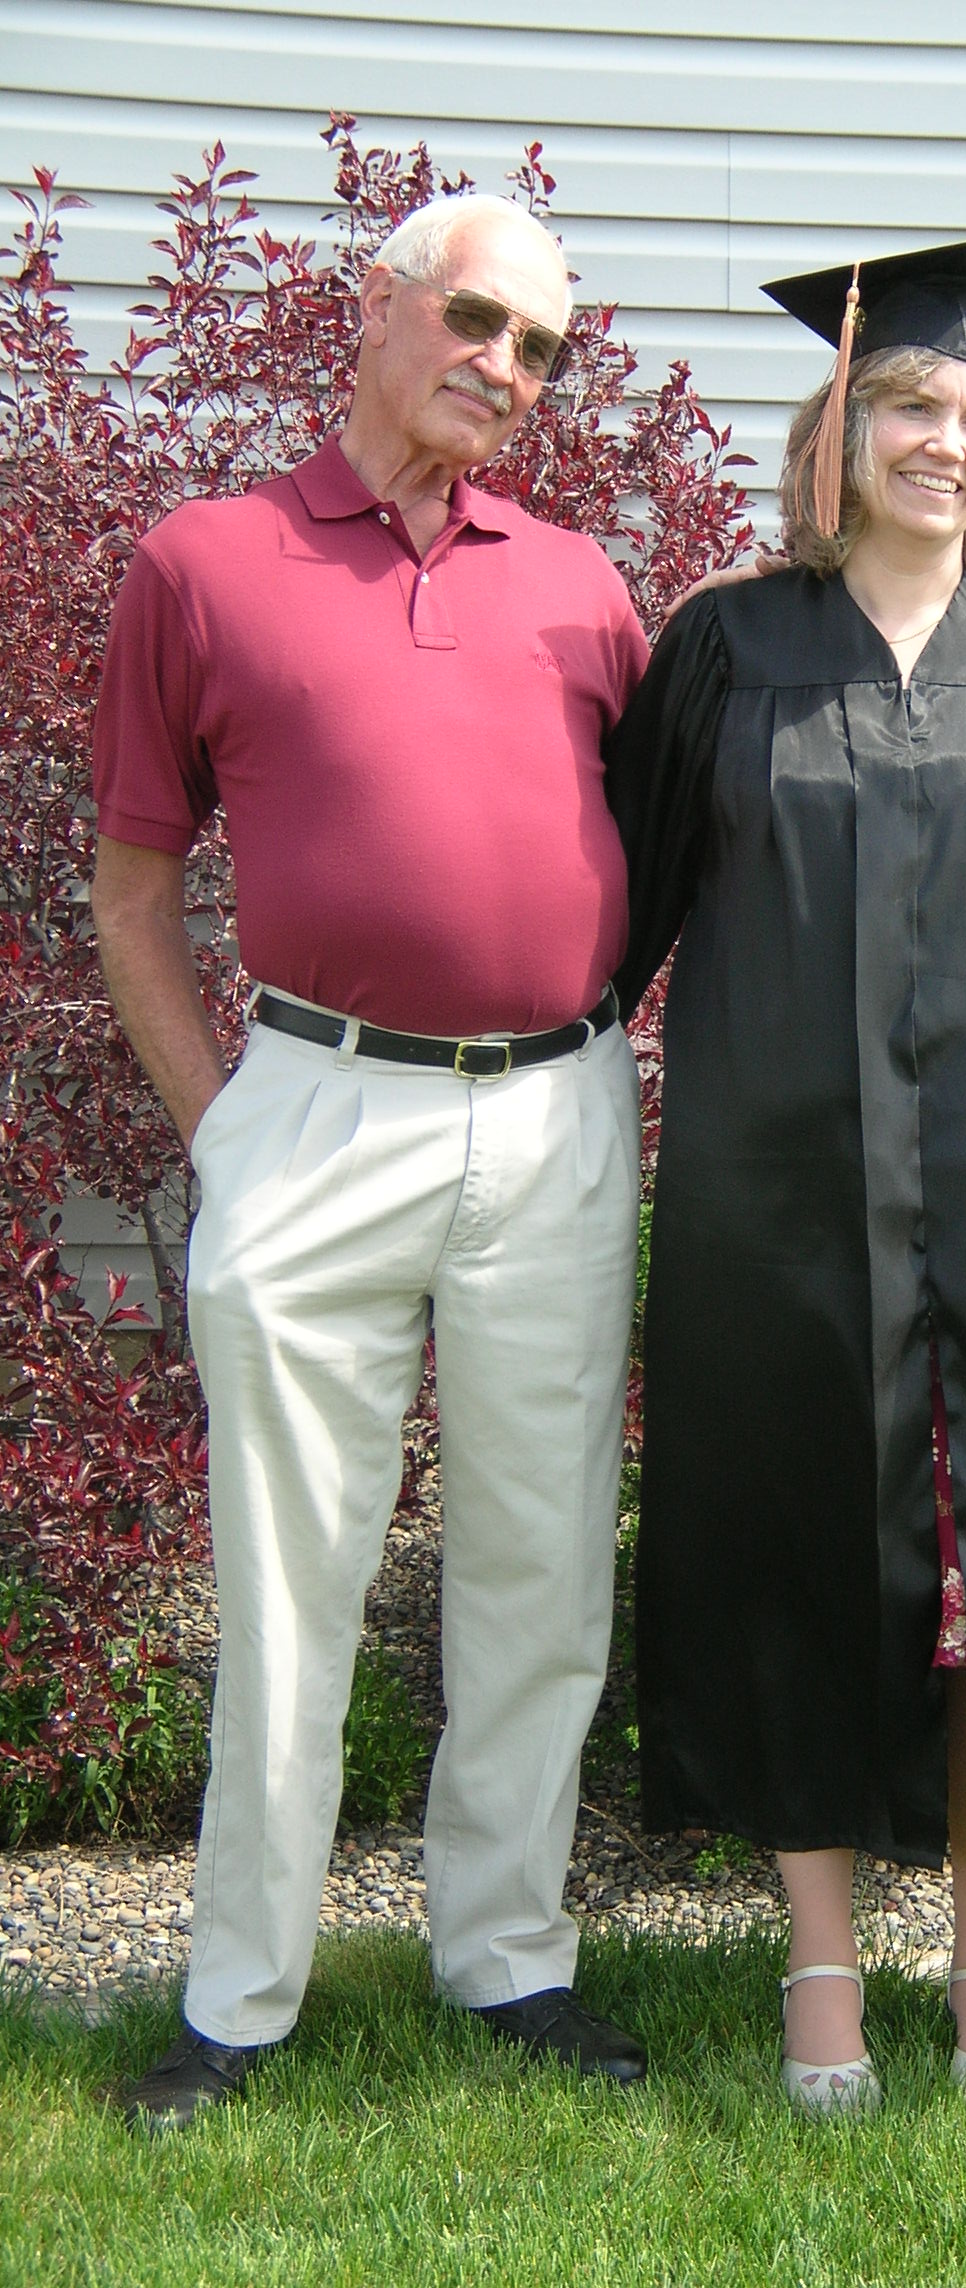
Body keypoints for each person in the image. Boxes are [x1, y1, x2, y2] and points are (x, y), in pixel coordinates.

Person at [91, 192, 652, 2129]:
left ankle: (507, 1952)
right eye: (478, 320)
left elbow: (657, 836)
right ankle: (241, 1993)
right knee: (287, 1571)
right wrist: (224, 1128)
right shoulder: (203, 563)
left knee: (540, 1562)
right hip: (314, 1112)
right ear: (380, 308)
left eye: (541, 346)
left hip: (556, 1115)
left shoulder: (580, 585)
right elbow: (133, 891)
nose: (506, 366)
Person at [603, 238, 966, 2109]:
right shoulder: (727, 647)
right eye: (913, 404)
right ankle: (823, 1965)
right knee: (799, 1551)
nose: (947, 441)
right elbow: (611, 917)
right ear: (839, 427)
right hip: (780, 1207)